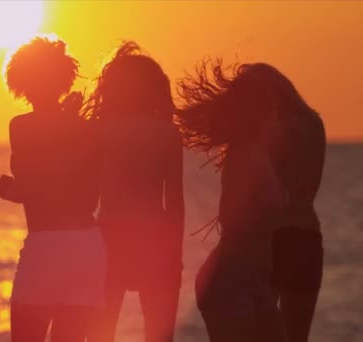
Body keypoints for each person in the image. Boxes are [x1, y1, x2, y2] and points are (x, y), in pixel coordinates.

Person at [0, 35, 106, 342]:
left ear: (21, 81)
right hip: (87, 246)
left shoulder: (21, 126)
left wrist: (9, 190)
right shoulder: (85, 127)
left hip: (47, 245)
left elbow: (32, 187)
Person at [176, 60, 293, 342]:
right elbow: (230, 218)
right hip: (229, 281)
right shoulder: (245, 157)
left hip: (256, 280)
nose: (280, 117)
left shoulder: (259, 155)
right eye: (276, 109)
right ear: (262, 114)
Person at [86, 42, 185, 342]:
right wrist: (175, 252)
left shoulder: (99, 131)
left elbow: (86, 197)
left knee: (100, 334)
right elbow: (176, 202)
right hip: (155, 240)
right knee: (158, 335)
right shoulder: (167, 133)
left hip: (108, 238)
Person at [240, 63, 326, 342]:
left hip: (273, 238)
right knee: (298, 335)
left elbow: (264, 190)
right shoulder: (314, 124)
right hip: (307, 234)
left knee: (257, 331)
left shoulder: (269, 130)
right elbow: (309, 184)